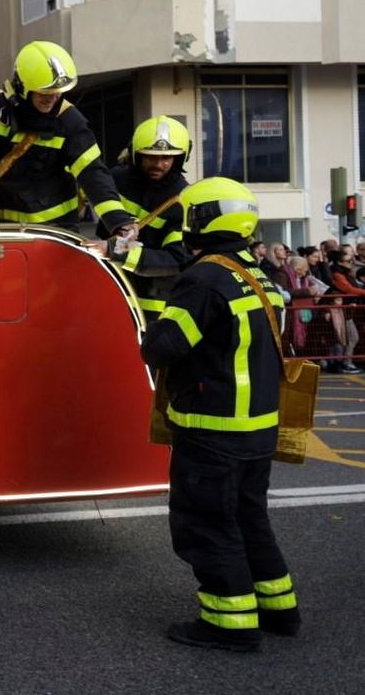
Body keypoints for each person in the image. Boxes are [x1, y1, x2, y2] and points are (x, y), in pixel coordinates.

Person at [141, 177, 298, 652]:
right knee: (250, 518)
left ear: (203, 219)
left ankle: (229, 624)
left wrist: (155, 316)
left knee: (207, 523)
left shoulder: (204, 278)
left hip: (212, 429)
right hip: (257, 430)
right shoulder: (259, 275)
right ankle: (279, 610)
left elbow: (162, 348)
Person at [0, 41, 133, 235]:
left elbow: (92, 172)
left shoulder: (71, 122)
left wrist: (118, 220)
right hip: (1, 225)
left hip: (55, 229)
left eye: (58, 92)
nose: (52, 98)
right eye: (45, 91)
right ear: (21, 86)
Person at [97, 116, 191, 323]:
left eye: (167, 158)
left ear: (181, 158)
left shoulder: (182, 201)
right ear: (136, 154)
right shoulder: (116, 179)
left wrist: (116, 251)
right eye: (150, 157)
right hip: (110, 288)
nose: (159, 164)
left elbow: (175, 259)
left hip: (152, 304)